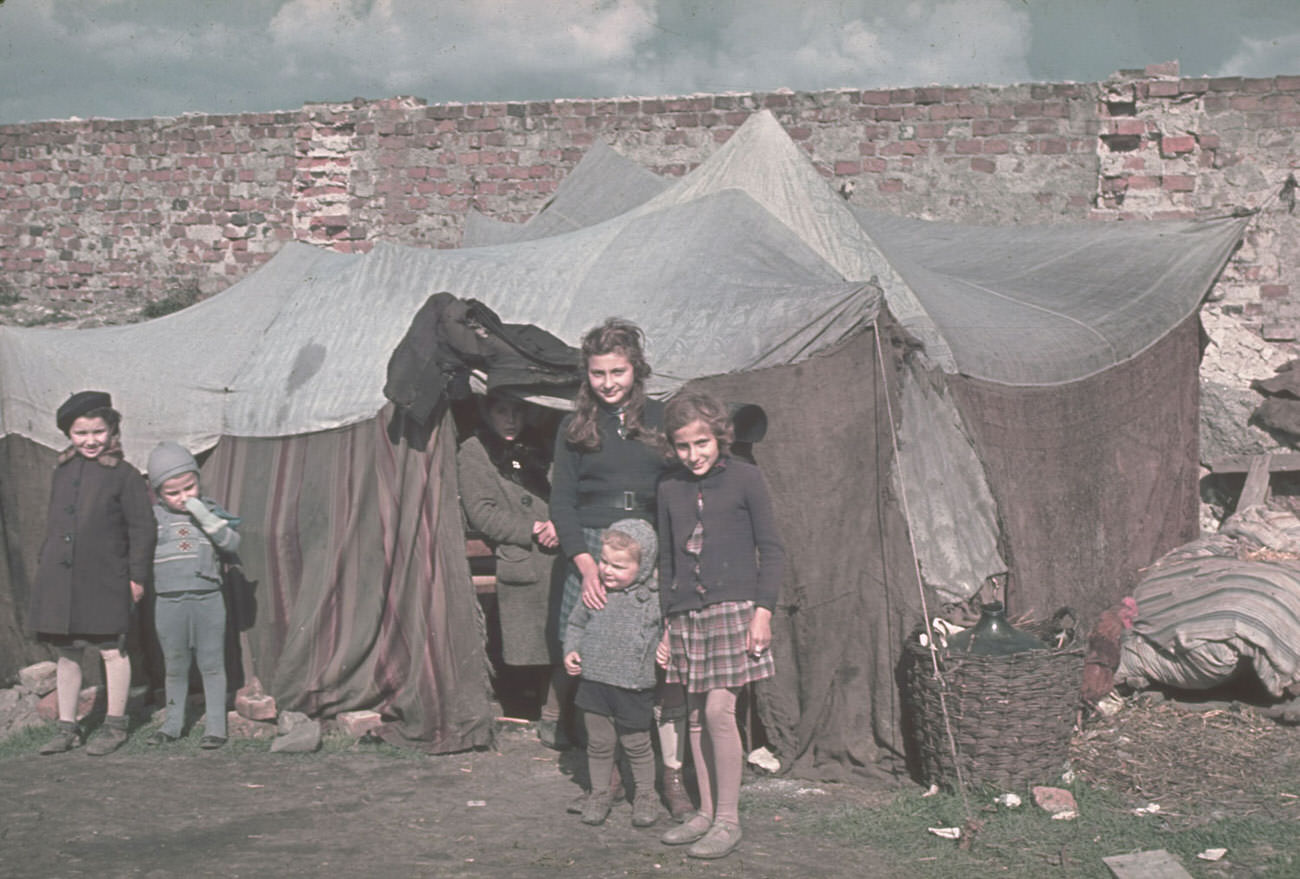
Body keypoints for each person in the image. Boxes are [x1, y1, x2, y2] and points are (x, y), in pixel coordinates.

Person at [550, 318, 692, 820]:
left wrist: (661, 562)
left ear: (637, 369)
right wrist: (584, 563)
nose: (608, 382)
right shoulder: (574, 427)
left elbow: (679, 489)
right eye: (597, 373)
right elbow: (561, 501)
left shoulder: (660, 418)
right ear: (586, 375)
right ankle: (603, 779)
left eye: (618, 371)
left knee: (657, 658)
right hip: (590, 545)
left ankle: (668, 779)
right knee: (587, 654)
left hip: (648, 544)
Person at [656, 389, 786, 859]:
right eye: (684, 446)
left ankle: (729, 819)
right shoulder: (668, 487)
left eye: (702, 444)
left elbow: (770, 550)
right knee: (692, 716)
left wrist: (763, 611)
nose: (694, 455)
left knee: (717, 712)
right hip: (686, 614)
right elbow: (669, 560)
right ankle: (706, 813)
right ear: (672, 446)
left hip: (736, 611)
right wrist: (668, 622)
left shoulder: (746, 479)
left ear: (720, 438)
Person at [29, 391, 156, 755]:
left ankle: (114, 727)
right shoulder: (63, 471)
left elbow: (142, 530)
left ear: (112, 430)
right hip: (61, 580)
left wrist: (136, 577)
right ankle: (67, 727)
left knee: (111, 650)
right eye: (80, 433)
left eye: (98, 432)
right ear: (69, 434)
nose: (90, 441)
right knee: (67, 652)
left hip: (106, 578)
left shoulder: (125, 476)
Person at [456, 391, 562, 745]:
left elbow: (560, 490)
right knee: (530, 643)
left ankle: (557, 715)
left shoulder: (539, 446)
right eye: (502, 411)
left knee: (563, 640)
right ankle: (537, 712)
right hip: (524, 555)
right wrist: (531, 529)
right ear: (487, 413)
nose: (511, 419)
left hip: (557, 552)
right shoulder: (476, 451)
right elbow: (482, 511)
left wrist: (559, 523)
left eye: (518, 411)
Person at [563, 519, 663, 827]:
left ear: (643, 567)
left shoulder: (654, 599)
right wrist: (571, 650)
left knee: (636, 743)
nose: (607, 570)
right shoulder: (594, 591)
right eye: (604, 562)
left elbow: (669, 630)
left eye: (618, 566)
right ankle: (601, 792)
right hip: (594, 682)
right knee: (599, 743)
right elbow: (576, 623)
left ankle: (646, 795)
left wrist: (666, 647)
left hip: (632, 685)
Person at [145, 441, 241, 749]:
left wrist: (209, 521)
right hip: (169, 601)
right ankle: (173, 724)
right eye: (173, 493)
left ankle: (216, 727)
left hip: (208, 598)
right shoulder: (154, 518)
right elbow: (136, 548)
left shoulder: (210, 511)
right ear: (158, 494)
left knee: (212, 662)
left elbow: (232, 544)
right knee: (175, 664)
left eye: (189, 487)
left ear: (198, 480)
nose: (184, 498)